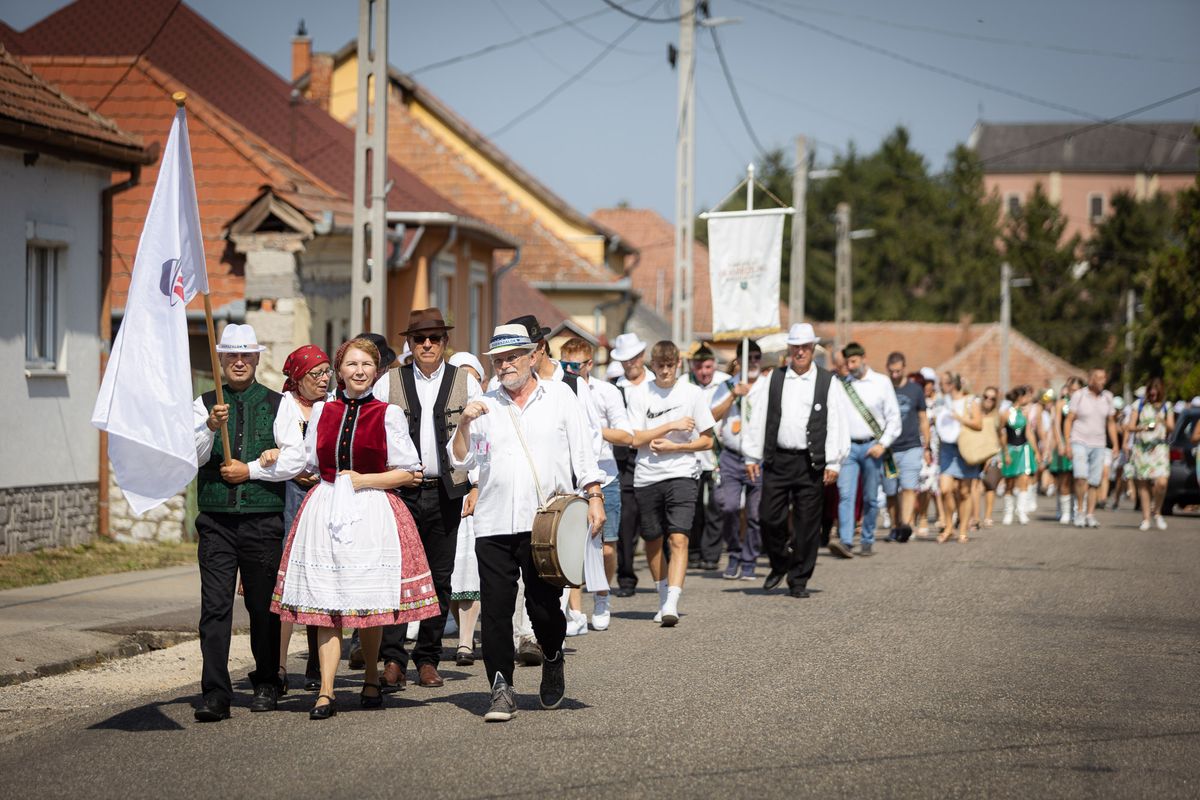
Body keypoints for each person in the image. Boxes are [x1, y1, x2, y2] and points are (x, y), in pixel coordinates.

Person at [269, 338, 437, 719]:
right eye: (351, 364)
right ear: (339, 371)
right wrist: (264, 464)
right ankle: (326, 690)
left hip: (371, 509)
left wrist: (365, 481)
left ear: (376, 372)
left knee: (368, 600)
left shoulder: (387, 413)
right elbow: (305, 461)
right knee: (327, 602)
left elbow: (410, 472)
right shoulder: (322, 412)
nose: (359, 371)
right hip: (326, 508)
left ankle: (373, 676)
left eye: (366, 365)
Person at [449, 324, 606, 722]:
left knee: (543, 607)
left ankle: (553, 656)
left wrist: (594, 496)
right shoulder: (484, 404)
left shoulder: (561, 397)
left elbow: (583, 452)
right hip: (493, 521)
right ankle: (501, 688)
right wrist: (464, 424)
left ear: (532, 356)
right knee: (497, 611)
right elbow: (462, 462)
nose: (504, 366)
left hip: (544, 523)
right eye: (498, 360)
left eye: (511, 357)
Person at [191, 324, 307, 722]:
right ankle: (216, 693)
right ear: (221, 360)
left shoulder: (280, 404)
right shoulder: (204, 403)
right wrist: (209, 426)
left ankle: (265, 682)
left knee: (263, 608)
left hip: (261, 520)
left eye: (246, 356)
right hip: (217, 521)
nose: (239, 362)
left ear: (257, 359)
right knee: (215, 608)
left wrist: (252, 470)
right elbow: (189, 454)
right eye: (231, 356)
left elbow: (296, 458)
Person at [377, 309, 482, 692]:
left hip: (446, 489)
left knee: (440, 578)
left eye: (434, 338)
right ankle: (392, 658)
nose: (426, 345)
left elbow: (483, 441)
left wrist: (475, 485)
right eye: (419, 339)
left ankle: (428, 658)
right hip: (400, 490)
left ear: (444, 343)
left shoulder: (465, 382)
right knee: (399, 576)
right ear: (408, 343)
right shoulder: (387, 382)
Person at [743, 324, 849, 597]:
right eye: (796, 347)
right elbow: (758, 418)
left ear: (812, 349)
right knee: (768, 517)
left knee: (807, 525)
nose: (800, 351)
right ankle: (780, 564)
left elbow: (837, 422)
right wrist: (751, 455)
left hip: (810, 461)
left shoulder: (828, 381)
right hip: (778, 459)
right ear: (789, 349)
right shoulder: (774, 379)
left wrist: (834, 461)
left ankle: (799, 579)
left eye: (805, 347)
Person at [626, 340, 716, 626]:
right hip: (647, 475)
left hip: (682, 473)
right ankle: (662, 595)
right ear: (652, 366)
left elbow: (707, 439)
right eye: (660, 366)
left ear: (678, 364)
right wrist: (671, 426)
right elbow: (634, 438)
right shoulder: (640, 393)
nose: (664, 371)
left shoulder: (692, 393)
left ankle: (672, 603)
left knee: (678, 538)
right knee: (652, 539)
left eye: (669, 365)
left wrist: (676, 448)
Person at [559, 337, 633, 634]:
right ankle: (576, 612)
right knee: (573, 547)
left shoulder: (607, 391)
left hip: (605, 474)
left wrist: (591, 430)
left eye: (575, 366)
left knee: (606, 547)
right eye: (565, 365)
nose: (570, 370)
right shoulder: (559, 388)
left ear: (589, 364)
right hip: (572, 477)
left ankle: (602, 596)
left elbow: (626, 435)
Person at [272, 344, 330, 693]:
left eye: (327, 373)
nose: (324, 379)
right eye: (316, 374)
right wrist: (290, 467)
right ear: (297, 378)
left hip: (323, 492)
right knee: (288, 576)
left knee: (318, 578)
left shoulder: (333, 405)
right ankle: (278, 666)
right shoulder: (284, 406)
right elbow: (277, 446)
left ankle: (315, 661)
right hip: (289, 496)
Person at [835, 342, 901, 557]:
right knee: (846, 495)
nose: (850, 366)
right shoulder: (842, 385)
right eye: (847, 363)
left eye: (853, 361)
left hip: (873, 446)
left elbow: (893, 418)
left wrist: (883, 444)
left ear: (863, 358)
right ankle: (845, 541)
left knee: (871, 497)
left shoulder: (881, 383)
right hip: (849, 447)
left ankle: (867, 539)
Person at [447, 351, 486, 664]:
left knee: (470, 570)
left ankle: (466, 641)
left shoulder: (487, 412)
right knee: (452, 570)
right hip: (446, 493)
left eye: (471, 374)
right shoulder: (443, 408)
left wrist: (475, 485)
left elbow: (484, 456)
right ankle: (462, 635)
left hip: (476, 493)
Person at [713, 347, 761, 580]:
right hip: (731, 455)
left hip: (758, 458)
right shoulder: (726, 385)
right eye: (747, 358)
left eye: (756, 358)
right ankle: (733, 552)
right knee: (729, 507)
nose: (752, 362)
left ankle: (749, 559)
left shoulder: (766, 384)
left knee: (754, 514)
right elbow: (712, 415)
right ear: (738, 362)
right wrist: (733, 395)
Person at [610, 332, 650, 598]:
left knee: (653, 519)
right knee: (626, 521)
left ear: (642, 357)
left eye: (634, 358)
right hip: (625, 459)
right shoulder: (614, 387)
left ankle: (665, 574)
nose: (630, 363)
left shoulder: (657, 383)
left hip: (654, 455)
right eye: (625, 360)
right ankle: (626, 577)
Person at [685, 344, 732, 570]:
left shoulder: (726, 383)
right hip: (692, 453)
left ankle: (711, 555)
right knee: (692, 507)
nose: (704, 372)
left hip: (716, 454)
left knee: (715, 506)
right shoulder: (684, 384)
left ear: (714, 365)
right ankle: (693, 551)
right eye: (699, 367)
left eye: (708, 366)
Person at [882, 352, 929, 543]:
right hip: (888, 449)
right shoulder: (882, 388)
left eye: (898, 371)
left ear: (904, 368)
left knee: (909, 487)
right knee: (891, 491)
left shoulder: (915, 390)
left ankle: (906, 524)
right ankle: (895, 526)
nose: (895, 375)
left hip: (911, 446)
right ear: (887, 368)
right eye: (892, 371)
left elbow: (923, 419)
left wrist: (927, 447)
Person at [1064, 368, 1119, 529]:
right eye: (1099, 378)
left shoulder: (1108, 397)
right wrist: (1067, 443)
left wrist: (1115, 444)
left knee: (1095, 481)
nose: (1103, 381)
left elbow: (1110, 423)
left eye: (1104, 378)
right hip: (1079, 440)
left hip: (1099, 443)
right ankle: (1079, 511)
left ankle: (1090, 514)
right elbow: (1069, 420)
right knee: (1081, 477)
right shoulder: (1079, 395)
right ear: (1091, 380)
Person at [934, 372, 983, 543]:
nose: (940, 386)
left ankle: (962, 530)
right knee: (945, 489)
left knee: (964, 492)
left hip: (965, 448)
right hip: (947, 448)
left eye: (943, 383)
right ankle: (948, 526)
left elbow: (978, 424)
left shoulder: (970, 401)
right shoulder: (941, 402)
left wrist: (960, 418)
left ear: (952, 385)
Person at [1126, 377, 1174, 531]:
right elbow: (1130, 427)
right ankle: (1146, 518)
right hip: (1142, 448)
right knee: (1143, 484)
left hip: (1159, 448)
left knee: (1162, 482)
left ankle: (1157, 511)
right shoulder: (1139, 405)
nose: (1153, 395)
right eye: (1151, 392)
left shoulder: (1167, 407)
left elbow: (1171, 428)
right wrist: (1144, 428)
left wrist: (1162, 420)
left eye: (1156, 392)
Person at [1000, 385, 1040, 525]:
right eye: (1025, 397)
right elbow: (1002, 433)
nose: (1028, 399)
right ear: (1019, 398)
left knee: (1024, 479)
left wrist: (1036, 451)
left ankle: (1021, 511)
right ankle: (1008, 511)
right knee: (1009, 483)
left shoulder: (1025, 413)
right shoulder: (1005, 413)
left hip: (1024, 448)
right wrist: (1005, 452)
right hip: (1010, 449)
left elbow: (1028, 432)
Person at [1050, 378, 1083, 524]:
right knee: (1064, 478)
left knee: (1080, 478)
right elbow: (1056, 424)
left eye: (1077, 390)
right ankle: (1065, 511)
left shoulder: (1085, 404)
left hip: (1082, 443)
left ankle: (1078, 510)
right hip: (1066, 443)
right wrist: (1060, 443)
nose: (1074, 393)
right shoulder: (1061, 404)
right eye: (1071, 390)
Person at [975, 388, 1003, 528]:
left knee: (990, 485)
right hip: (975, 452)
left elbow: (1000, 435)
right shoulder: (976, 413)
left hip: (992, 453)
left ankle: (988, 516)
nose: (988, 400)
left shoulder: (997, 416)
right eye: (986, 397)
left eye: (992, 398)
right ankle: (974, 517)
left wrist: (1005, 453)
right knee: (975, 486)